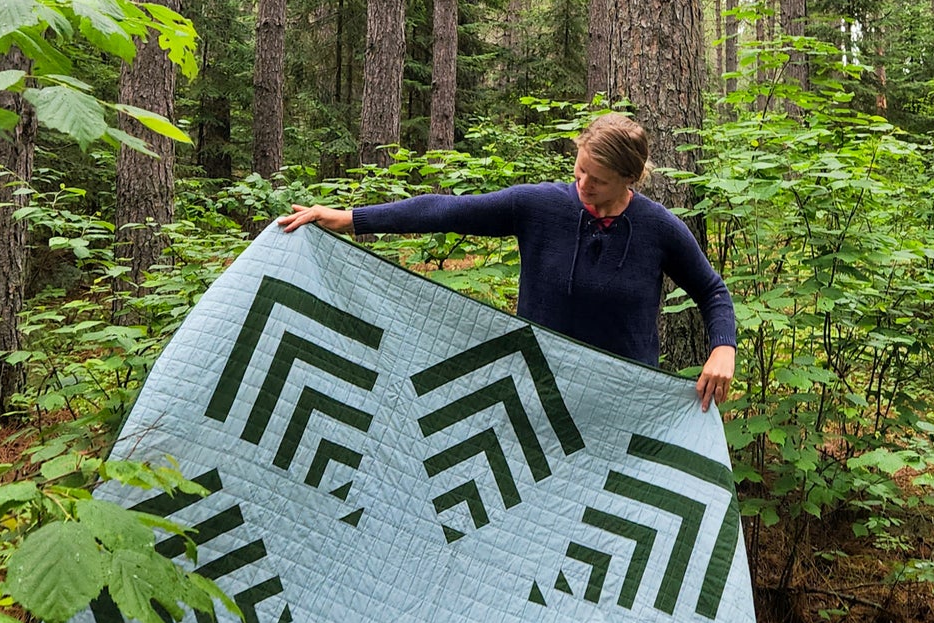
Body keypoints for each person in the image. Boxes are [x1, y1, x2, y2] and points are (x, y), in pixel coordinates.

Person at [277, 114, 738, 410]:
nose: (582, 184)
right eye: (579, 169)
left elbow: (712, 292)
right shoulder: (538, 206)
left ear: (630, 177)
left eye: (597, 179)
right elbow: (444, 210)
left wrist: (723, 347)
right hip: (538, 394)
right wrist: (350, 218)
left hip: (622, 400)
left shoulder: (658, 228)